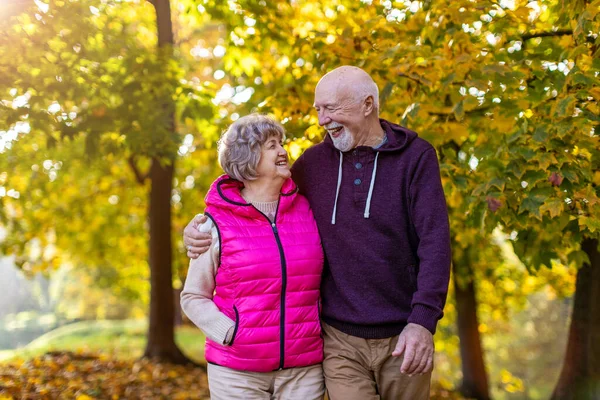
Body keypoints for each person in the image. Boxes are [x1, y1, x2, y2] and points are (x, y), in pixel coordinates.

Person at [184, 66, 451, 400]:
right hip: (337, 339)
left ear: (367, 105)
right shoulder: (314, 163)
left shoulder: (416, 157)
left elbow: (435, 242)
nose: (323, 120)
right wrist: (198, 227)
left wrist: (423, 320)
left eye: (331, 108)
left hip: (403, 332)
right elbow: (250, 193)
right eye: (318, 110)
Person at [180, 114, 325, 400]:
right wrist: (229, 333)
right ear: (248, 158)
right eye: (272, 145)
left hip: (303, 370)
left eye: (281, 143)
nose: (283, 151)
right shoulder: (215, 223)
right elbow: (193, 296)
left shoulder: (307, 209)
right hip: (237, 372)